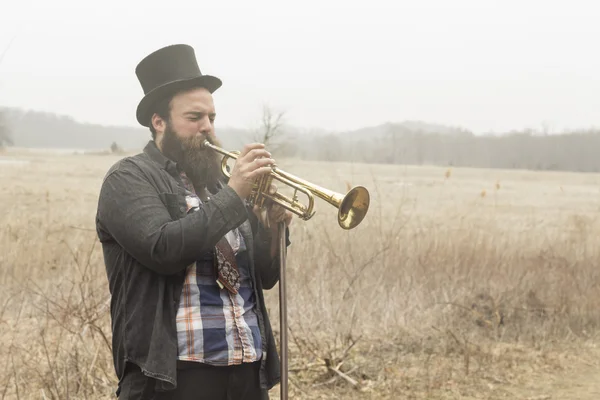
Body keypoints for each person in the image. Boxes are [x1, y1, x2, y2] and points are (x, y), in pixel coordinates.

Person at [95, 44, 293, 400]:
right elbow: (164, 248)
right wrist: (234, 196)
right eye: (194, 118)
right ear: (159, 122)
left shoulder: (218, 183)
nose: (207, 128)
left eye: (212, 118)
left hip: (247, 371)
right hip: (175, 378)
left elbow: (264, 278)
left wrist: (271, 226)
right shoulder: (128, 178)